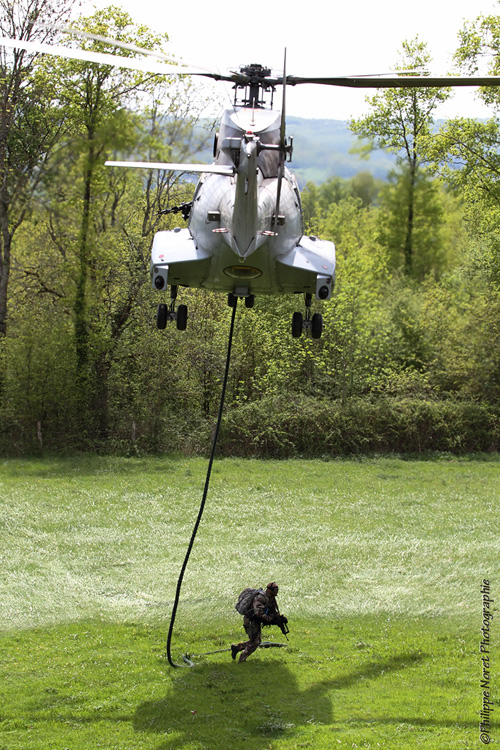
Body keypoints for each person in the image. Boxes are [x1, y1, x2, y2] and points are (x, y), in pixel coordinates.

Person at [231, 582, 286, 662]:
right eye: (275, 590)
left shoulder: (271, 598)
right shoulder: (261, 597)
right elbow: (258, 613)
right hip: (250, 621)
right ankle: (242, 658)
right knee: (255, 642)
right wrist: (270, 620)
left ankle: (237, 648)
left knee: (255, 641)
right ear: (270, 590)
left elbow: (273, 611)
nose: (276, 592)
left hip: (256, 621)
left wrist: (279, 618)